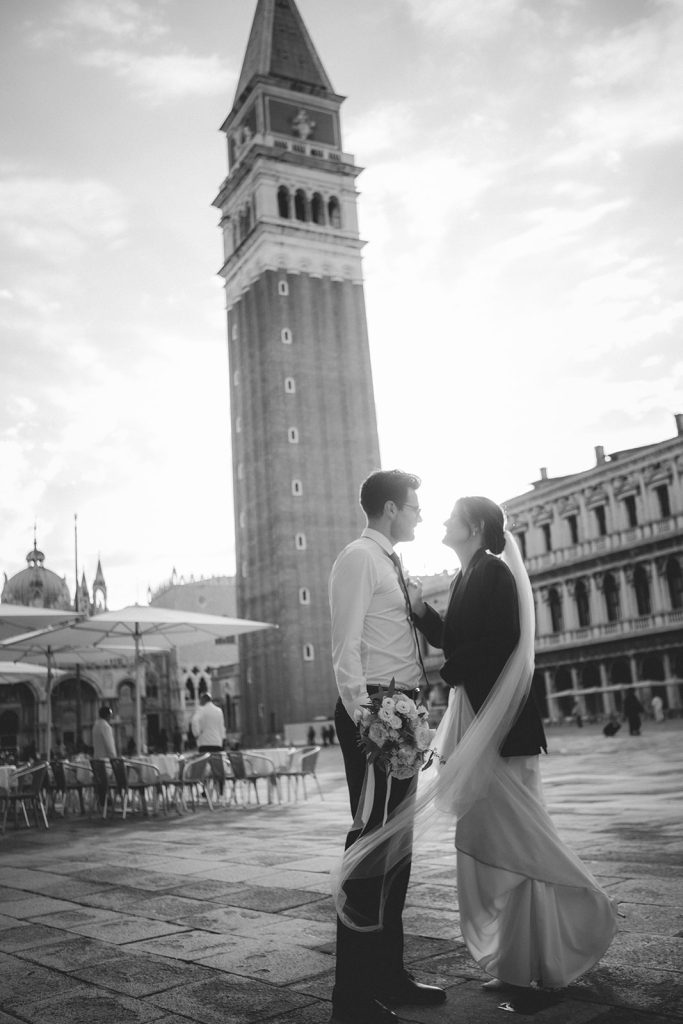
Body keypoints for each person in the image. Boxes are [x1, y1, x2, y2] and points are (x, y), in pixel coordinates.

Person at [333, 496, 617, 1017]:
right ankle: (515, 963)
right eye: (421, 508)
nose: (433, 518)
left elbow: (501, 644)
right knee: (493, 840)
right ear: (391, 506)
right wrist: (422, 615)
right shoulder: (463, 574)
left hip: (502, 728)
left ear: (476, 527)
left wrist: (448, 669)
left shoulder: (492, 573)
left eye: (448, 516)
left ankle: (557, 947)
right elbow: (458, 638)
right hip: (464, 720)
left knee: (519, 841)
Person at [329, 470, 446, 1024]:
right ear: (392, 508)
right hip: (378, 714)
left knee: (396, 848)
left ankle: (388, 975)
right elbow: (345, 646)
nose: (421, 515)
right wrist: (368, 719)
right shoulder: (359, 557)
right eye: (415, 507)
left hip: (401, 712)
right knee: (371, 847)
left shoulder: (391, 563)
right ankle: (352, 997)